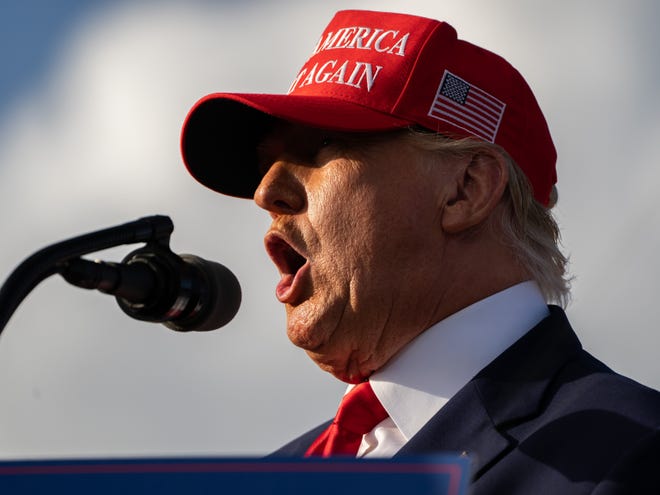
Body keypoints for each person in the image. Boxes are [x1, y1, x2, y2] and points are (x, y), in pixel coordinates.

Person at [179, 9, 660, 494]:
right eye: (266, 164)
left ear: (466, 189)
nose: (265, 192)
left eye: (320, 147)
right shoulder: (273, 478)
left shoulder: (632, 452)